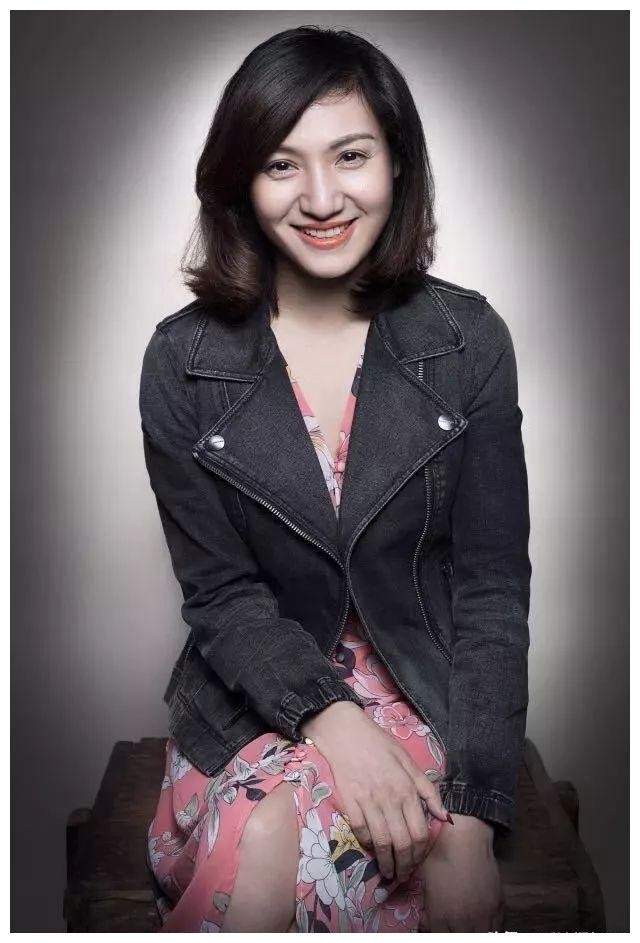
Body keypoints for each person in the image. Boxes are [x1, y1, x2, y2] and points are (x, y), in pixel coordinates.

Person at [139, 25, 531, 933]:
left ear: (397, 161)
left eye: (350, 155)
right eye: (282, 164)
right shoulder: (182, 361)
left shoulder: (467, 342)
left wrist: (475, 808)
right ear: (241, 180)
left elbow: (491, 591)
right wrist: (331, 719)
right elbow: (222, 595)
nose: (321, 198)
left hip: (427, 696)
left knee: (432, 859)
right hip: (253, 699)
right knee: (268, 837)